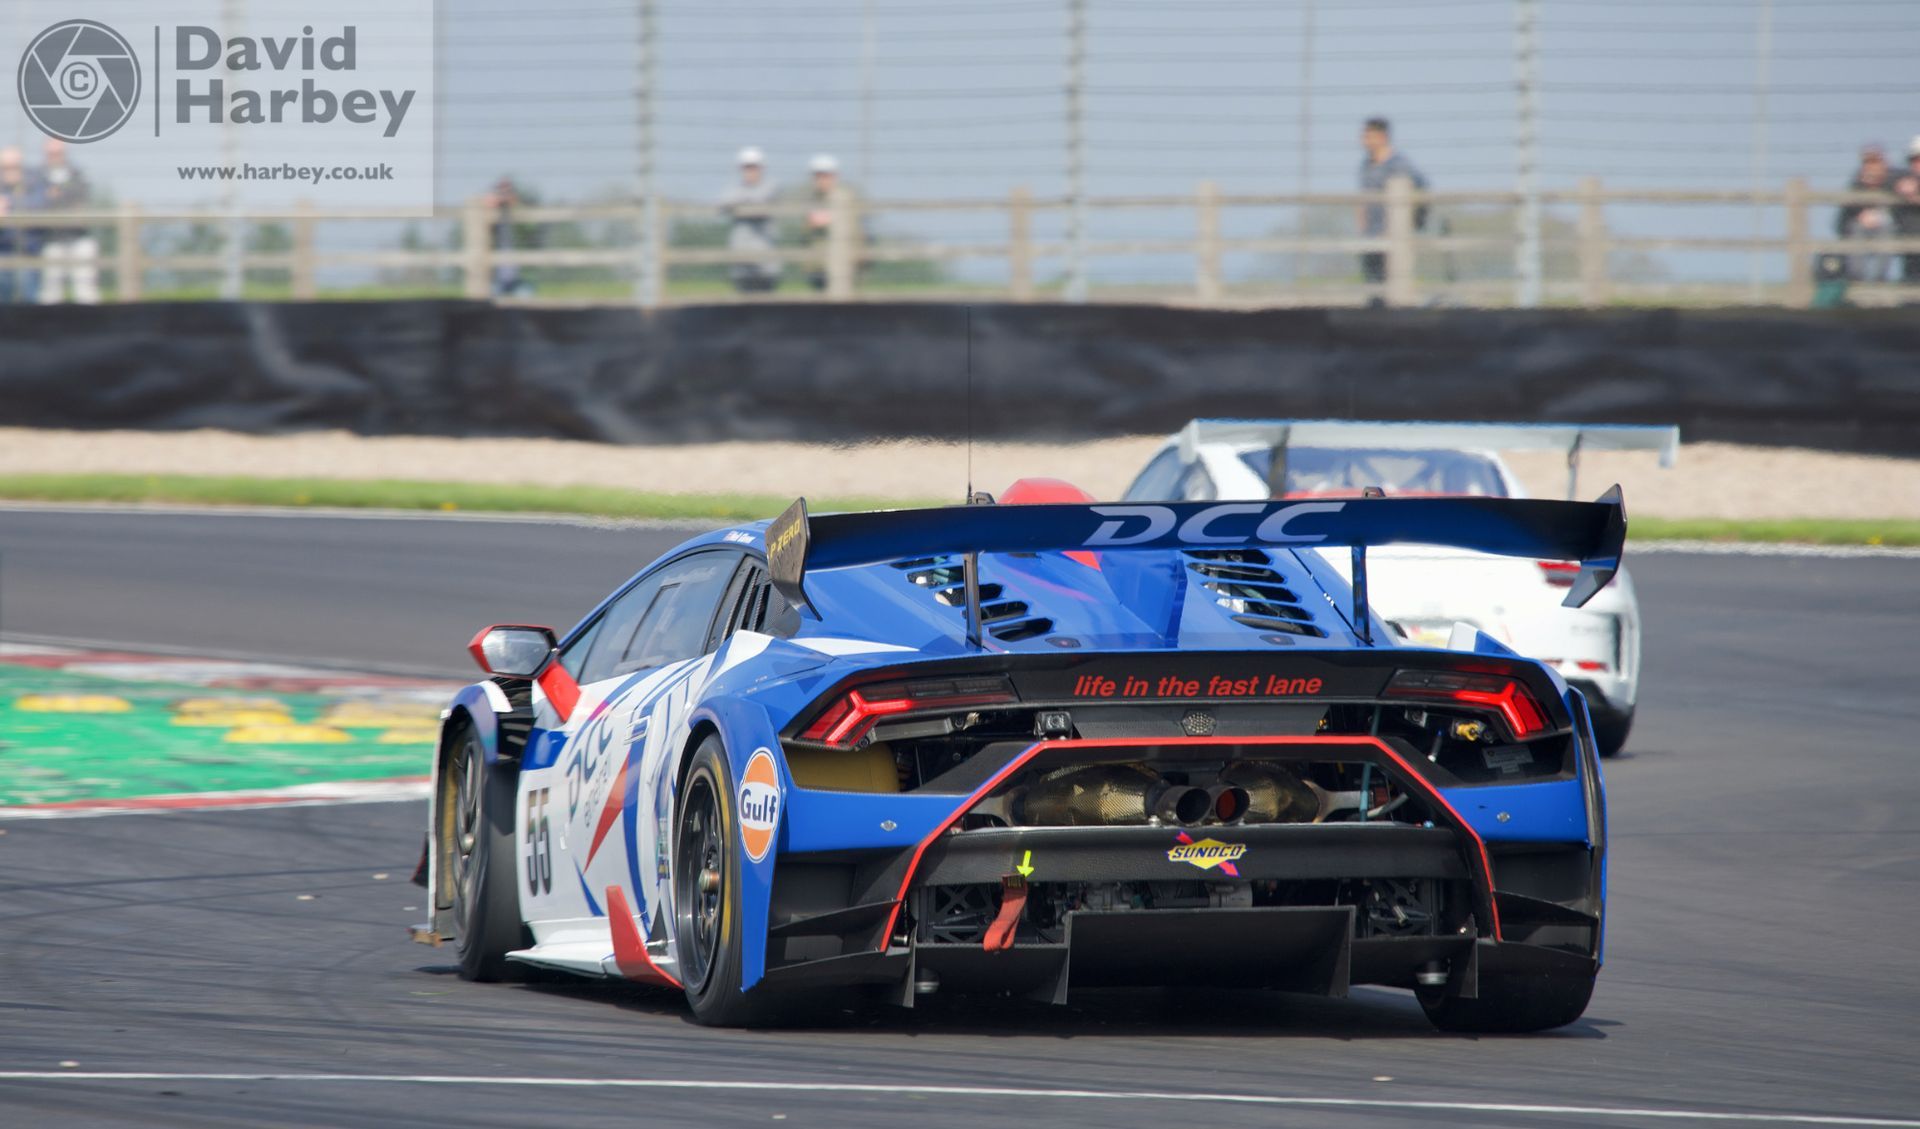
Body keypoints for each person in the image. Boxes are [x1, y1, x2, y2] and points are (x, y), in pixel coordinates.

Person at [1356, 117, 1427, 290]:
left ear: (1382, 137)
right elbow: (1362, 200)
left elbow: (1422, 193)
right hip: (1370, 239)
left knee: (1396, 289)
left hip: (1395, 240)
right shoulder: (1366, 165)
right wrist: (1362, 228)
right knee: (1373, 289)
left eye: (1369, 136)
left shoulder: (1399, 165)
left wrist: (1410, 226)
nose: (1364, 141)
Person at [36, 139, 98, 305]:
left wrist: (55, 199)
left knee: (85, 289)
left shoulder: (78, 175)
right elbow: (36, 204)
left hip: (78, 237)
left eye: (58, 153)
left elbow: (82, 204)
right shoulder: (37, 177)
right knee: (51, 291)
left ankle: (91, 320)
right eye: (51, 153)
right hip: (51, 239)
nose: (55, 157)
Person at [720, 146, 781, 293]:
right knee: (744, 299)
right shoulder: (735, 189)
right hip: (741, 258)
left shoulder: (771, 187)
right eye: (746, 168)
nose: (750, 171)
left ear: (761, 169)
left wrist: (742, 204)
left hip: (765, 258)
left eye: (754, 167)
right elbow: (723, 204)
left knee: (766, 299)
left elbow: (761, 200)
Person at [1836, 144, 1895, 282]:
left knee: (1887, 229)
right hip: (1861, 232)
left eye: (1876, 162)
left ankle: (1879, 280)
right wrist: (1860, 215)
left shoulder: (1893, 182)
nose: (1872, 167)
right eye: (1868, 163)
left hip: (1887, 230)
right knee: (1856, 229)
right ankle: (1857, 278)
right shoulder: (1855, 187)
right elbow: (1841, 222)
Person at [0, 146, 45, 304]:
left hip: (28, 250)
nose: (10, 171)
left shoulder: (34, 183)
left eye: (14, 167)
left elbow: (40, 206)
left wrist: (9, 205)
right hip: (3, 251)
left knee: (28, 301)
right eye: (6, 167)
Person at [485, 177, 533, 298]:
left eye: (508, 192)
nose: (504, 196)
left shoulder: (520, 214)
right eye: (501, 192)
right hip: (495, 279)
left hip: (519, 280)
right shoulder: (490, 215)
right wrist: (492, 206)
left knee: (525, 299)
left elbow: (531, 227)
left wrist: (514, 205)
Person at [804, 153, 842, 291]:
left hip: (840, 265)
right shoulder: (811, 200)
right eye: (818, 176)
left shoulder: (843, 198)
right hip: (817, 266)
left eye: (825, 176)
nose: (821, 180)